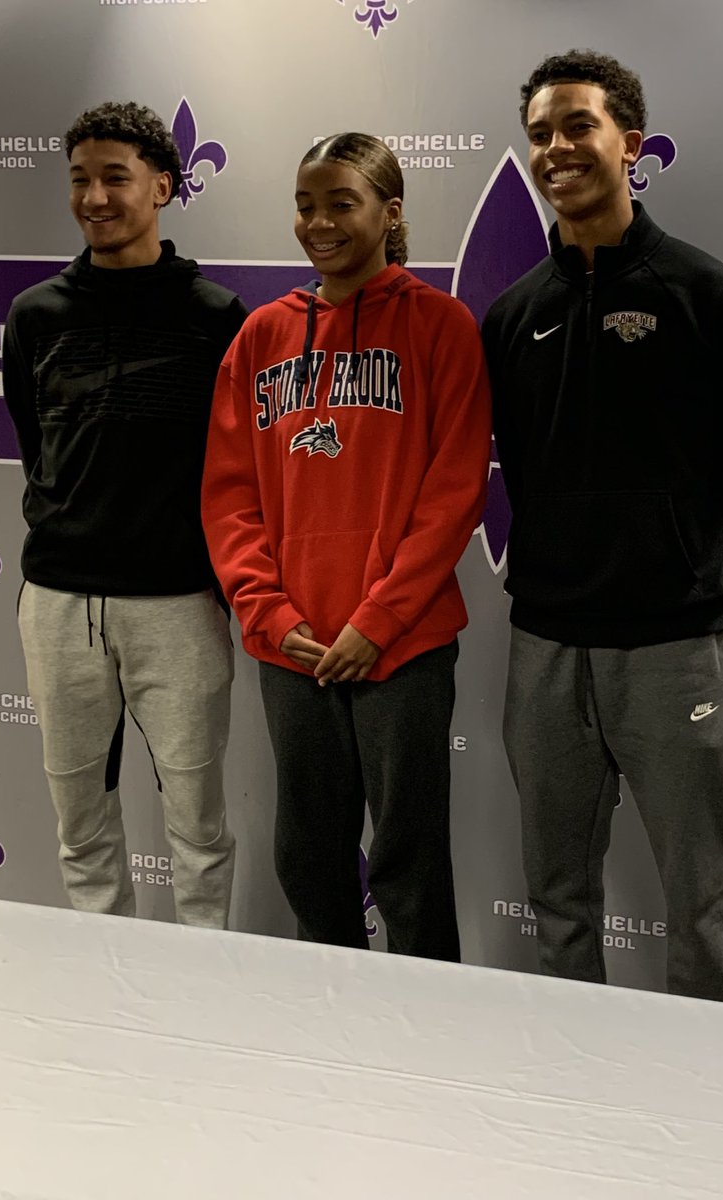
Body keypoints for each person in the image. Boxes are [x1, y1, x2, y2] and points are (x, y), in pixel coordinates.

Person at [482, 51, 723, 1002]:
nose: (557, 148)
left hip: (673, 650)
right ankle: (568, 1071)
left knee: (701, 904)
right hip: (545, 647)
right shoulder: (512, 316)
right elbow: (519, 473)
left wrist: (696, 588)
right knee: (557, 899)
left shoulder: (714, 299)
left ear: (631, 143)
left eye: (578, 125)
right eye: (540, 133)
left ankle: (710, 1081)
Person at [202, 132, 491, 959]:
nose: (319, 222)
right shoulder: (261, 335)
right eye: (305, 205)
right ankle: (322, 1018)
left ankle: (427, 1020)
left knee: (410, 861)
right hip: (294, 645)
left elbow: (454, 492)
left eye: (341, 203)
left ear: (390, 212)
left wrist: (380, 620)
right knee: (308, 855)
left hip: (403, 644)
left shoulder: (440, 326)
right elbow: (229, 494)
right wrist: (265, 610)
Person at [3, 100, 247, 927]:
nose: (95, 197)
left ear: (164, 187)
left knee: (198, 826)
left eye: (115, 177)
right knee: (80, 825)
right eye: (80, 179)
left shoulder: (215, 315)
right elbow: (37, 449)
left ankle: (201, 976)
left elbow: (235, 468)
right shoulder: (35, 314)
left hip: (178, 604)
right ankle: (99, 978)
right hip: (59, 602)